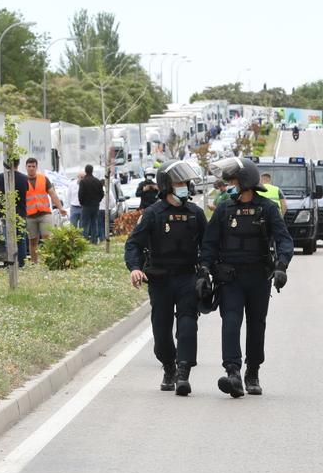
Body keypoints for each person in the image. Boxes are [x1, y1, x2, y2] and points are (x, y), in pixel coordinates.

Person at [201, 157, 293, 398]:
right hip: (230, 278)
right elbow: (209, 244)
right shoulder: (224, 209)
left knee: (256, 325)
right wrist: (204, 270)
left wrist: (281, 266)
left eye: (232, 181)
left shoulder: (267, 209)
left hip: (259, 277)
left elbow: (284, 240)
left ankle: (252, 371)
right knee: (230, 322)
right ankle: (233, 373)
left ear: (245, 182)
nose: (229, 185)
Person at [125, 160, 207, 396]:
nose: (184, 186)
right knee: (161, 332)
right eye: (179, 182)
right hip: (160, 279)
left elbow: (209, 245)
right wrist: (134, 268)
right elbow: (133, 245)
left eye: (185, 182)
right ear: (167, 186)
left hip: (187, 278)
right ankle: (169, 366)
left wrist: (207, 270)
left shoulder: (196, 214)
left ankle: (183, 372)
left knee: (188, 325)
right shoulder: (153, 214)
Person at [23, 158, 65, 264]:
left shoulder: (44, 179)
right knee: (33, 240)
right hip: (30, 215)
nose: (31, 168)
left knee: (47, 238)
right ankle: (34, 262)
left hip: (44, 213)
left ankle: (48, 260)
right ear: (26, 167)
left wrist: (60, 208)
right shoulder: (23, 180)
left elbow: (53, 194)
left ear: (36, 167)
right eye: (29, 166)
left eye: (33, 166)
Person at [0, 158, 30, 267]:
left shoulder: (1, 177)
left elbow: (0, 194)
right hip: (21, 213)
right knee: (21, 240)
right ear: (18, 164)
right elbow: (26, 193)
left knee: (9, 240)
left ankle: (11, 264)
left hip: (6, 213)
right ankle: (22, 264)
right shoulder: (24, 178)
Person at [79, 165, 106, 244]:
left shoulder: (83, 182)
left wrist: (82, 203)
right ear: (92, 170)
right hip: (95, 205)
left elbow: (80, 194)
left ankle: (84, 240)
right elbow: (102, 193)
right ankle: (94, 240)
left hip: (86, 205)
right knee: (94, 222)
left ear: (85, 171)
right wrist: (98, 200)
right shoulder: (97, 181)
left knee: (84, 223)